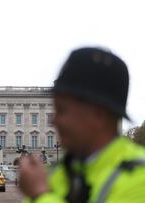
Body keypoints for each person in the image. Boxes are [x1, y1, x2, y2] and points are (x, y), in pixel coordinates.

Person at [18, 47, 145, 203]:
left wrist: (40, 194)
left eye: (62, 110)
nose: (53, 121)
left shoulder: (140, 175)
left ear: (98, 115)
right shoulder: (58, 173)